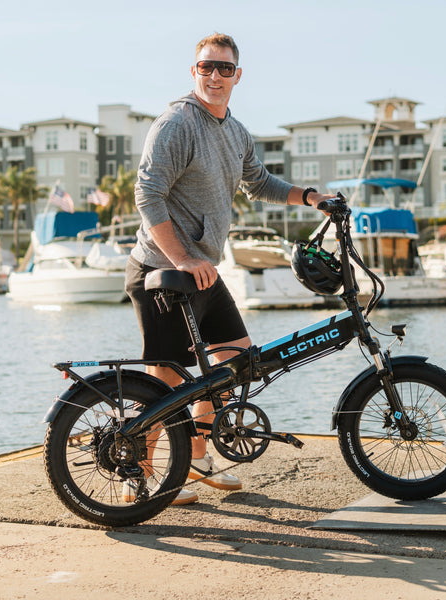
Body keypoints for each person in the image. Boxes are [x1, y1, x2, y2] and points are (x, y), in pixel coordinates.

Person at [125, 32, 332, 505]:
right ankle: (137, 476)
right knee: (166, 381)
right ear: (193, 71)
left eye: (224, 68)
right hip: (162, 271)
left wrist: (310, 197)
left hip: (201, 273)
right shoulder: (177, 124)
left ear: (238, 75)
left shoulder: (234, 131)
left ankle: (195, 458)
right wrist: (182, 257)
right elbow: (147, 194)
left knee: (235, 364)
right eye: (206, 67)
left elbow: (257, 182)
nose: (214, 76)